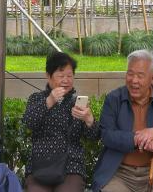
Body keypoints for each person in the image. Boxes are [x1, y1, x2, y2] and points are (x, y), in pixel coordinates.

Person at [92, 50, 153, 192]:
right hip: (119, 174)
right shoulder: (113, 99)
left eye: (140, 76)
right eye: (130, 74)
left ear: (152, 78)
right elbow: (106, 135)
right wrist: (139, 139)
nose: (134, 80)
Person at [22, 51, 99, 192]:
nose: (66, 80)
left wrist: (89, 119)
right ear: (48, 76)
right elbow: (28, 122)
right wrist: (49, 101)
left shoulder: (77, 103)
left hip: (71, 166)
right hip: (41, 165)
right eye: (61, 76)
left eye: (69, 76)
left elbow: (93, 137)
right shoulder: (37, 99)